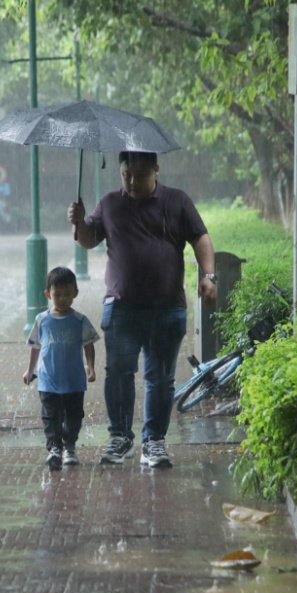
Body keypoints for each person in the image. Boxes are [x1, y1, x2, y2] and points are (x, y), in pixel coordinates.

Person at [68, 150, 217, 468]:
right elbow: (87, 239)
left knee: (160, 378)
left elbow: (201, 238)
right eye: (126, 175)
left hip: (167, 308)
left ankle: (154, 442)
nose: (132, 182)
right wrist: (78, 221)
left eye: (139, 175)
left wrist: (208, 276)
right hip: (121, 307)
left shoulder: (177, 201)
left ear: (156, 170)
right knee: (118, 374)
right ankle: (120, 438)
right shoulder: (110, 203)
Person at [23, 266, 100, 470]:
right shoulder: (42, 320)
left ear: (75, 293)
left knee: (74, 416)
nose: (62, 299)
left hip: (74, 381)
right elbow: (35, 346)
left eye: (67, 294)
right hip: (48, 380)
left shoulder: (80, 320)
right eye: (57, 295)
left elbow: (89, 344)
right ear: (48, 294)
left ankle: (69, 447)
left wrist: (91, 367)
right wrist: (30, 370)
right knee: (50, 417)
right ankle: (55, 448)